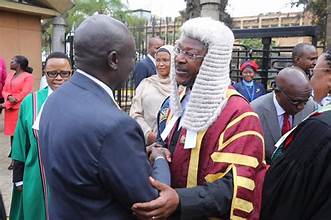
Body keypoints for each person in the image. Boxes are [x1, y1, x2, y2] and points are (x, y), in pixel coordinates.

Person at [132, 17, 266, 220]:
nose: (179, 59)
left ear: (213, 61)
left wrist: (181, 200)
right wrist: (155, 151)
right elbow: (170, 147)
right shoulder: (178, 101)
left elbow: (236, 187)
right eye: (180, 51)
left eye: (190, 53)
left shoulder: (239, 114)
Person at [38, 15, 170, 220]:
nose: (133, 66)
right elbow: (151, 202)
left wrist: (137, 152)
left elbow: (88, 158)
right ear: (114, 60)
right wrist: (159, 157)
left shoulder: (56, 99)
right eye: (132, 57)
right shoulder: (116, 125)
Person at [260, 50, 331, 219]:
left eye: (313, 72)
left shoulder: (320, 128)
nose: (310, 79)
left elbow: (288, 194)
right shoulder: (256, 110)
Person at [9, 52, 73, 220]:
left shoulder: (84, 100)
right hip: (36, 177)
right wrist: (18, 178)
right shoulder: (31, 102)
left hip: (71, 177)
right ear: (45, 73)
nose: (58, 78)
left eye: (64, 73)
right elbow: (20, 144)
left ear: (71, 73)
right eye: (52, 73)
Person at [251, 67, 315, 164]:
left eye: (305, 101)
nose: (301, 107)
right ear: (277, 92)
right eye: (295, 101)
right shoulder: (255, 112)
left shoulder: (310, 106)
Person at [130, 45, 174, 145]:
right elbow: (135, 114)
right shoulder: (146, 84)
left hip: (173, 145)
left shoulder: (180, 87)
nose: (161, 64)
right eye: (158, 60)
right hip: (150, 145)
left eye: (165, 60)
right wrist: (148, 134)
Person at [1, 55, 34, 170]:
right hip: (10, 111)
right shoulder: (10, 75)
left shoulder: (28, 77)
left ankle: (21, 159)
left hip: (20, 110)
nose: (10, 63)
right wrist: (8, 97)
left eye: (12, 61)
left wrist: (10, 102)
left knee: (20, 136)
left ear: (19, 64)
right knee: (12, 137)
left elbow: (25, 92)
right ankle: (14, 159)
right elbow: (4, 90)